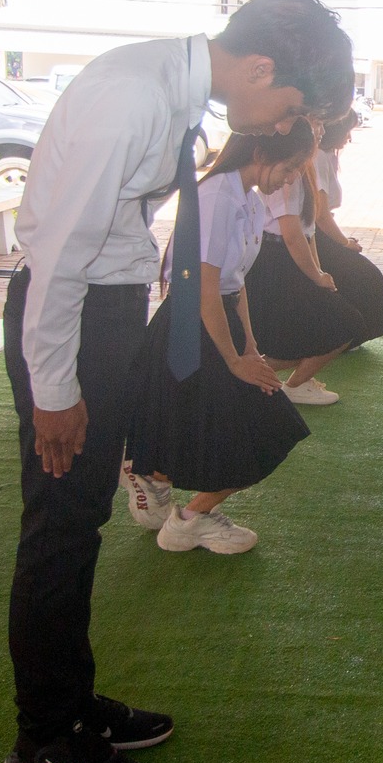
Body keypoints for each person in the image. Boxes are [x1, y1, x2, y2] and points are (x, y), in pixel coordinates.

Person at [3, 0, 353, 763]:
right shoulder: (136, 94)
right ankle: (44, 738)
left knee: (81, 521)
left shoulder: (173, 89)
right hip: (74, 315)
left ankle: (73, 702)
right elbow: (58, 253)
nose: (280, 126)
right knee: (60, 526)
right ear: (261, 66)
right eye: (291, 107)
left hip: (108, 308)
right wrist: (55, 388)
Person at [124, 125, 313, 553]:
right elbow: (202, 288)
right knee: (256, 429)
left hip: (214, 321)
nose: (289, 179)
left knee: (247, 429)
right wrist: (233, 360)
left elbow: (236, 283)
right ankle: (183, 513)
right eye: (288, 168)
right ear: (260, 152)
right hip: (190, 326)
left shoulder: (248, 198)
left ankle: (157, 482)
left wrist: (250, 347)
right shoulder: (216, 197)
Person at [238, 141, 363, 406]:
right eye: (316, 123)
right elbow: (291, 234)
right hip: (276, 259)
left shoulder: (302, 169)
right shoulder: (286, 174)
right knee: (344, 324)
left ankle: (287, 382)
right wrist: (316, 276)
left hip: (288, 258)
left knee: (317, 331)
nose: (320, 131)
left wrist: (318, 271)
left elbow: (308, 230)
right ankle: (273, 381)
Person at [306, 111, 383, 348]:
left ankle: (351, 336)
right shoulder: (318, 158)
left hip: (321, 233)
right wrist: (344, 243)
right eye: (347, 132)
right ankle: (347, 335)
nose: (349, 138)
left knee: (366, 275)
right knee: (365, 276)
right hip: (314, 235)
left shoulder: (327, 157)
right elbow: (321, 215)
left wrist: (344, 242)